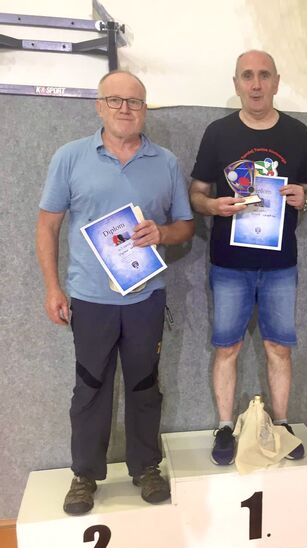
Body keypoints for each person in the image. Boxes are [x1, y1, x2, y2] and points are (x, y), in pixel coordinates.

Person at [36, 70, 195, 515]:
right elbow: (47, 225)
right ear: (99, 105)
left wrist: (162, 233)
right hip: (90, 298)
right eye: (115, 100)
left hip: (146, 298)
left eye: (135, 101)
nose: (125, 109)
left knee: (145, 385)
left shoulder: (165, 162)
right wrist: (52, 287)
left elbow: (186, 226)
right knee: (90, 386)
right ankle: (84, 476)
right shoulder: (70, 157)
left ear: (145, 109)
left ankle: (146, 468)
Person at [189, 50, 307, 465]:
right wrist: (213, 206)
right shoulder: (218, 133)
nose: (256, 84)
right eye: (247, 76)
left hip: (280, 264)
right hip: (229, 263)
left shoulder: (298, 133)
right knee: (226, 347)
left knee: (279, 347)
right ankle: (224, 426)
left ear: (276, 82)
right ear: (237, 84)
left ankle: (280, 424)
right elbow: (196, 193)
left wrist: (305, 198)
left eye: (264, 75)